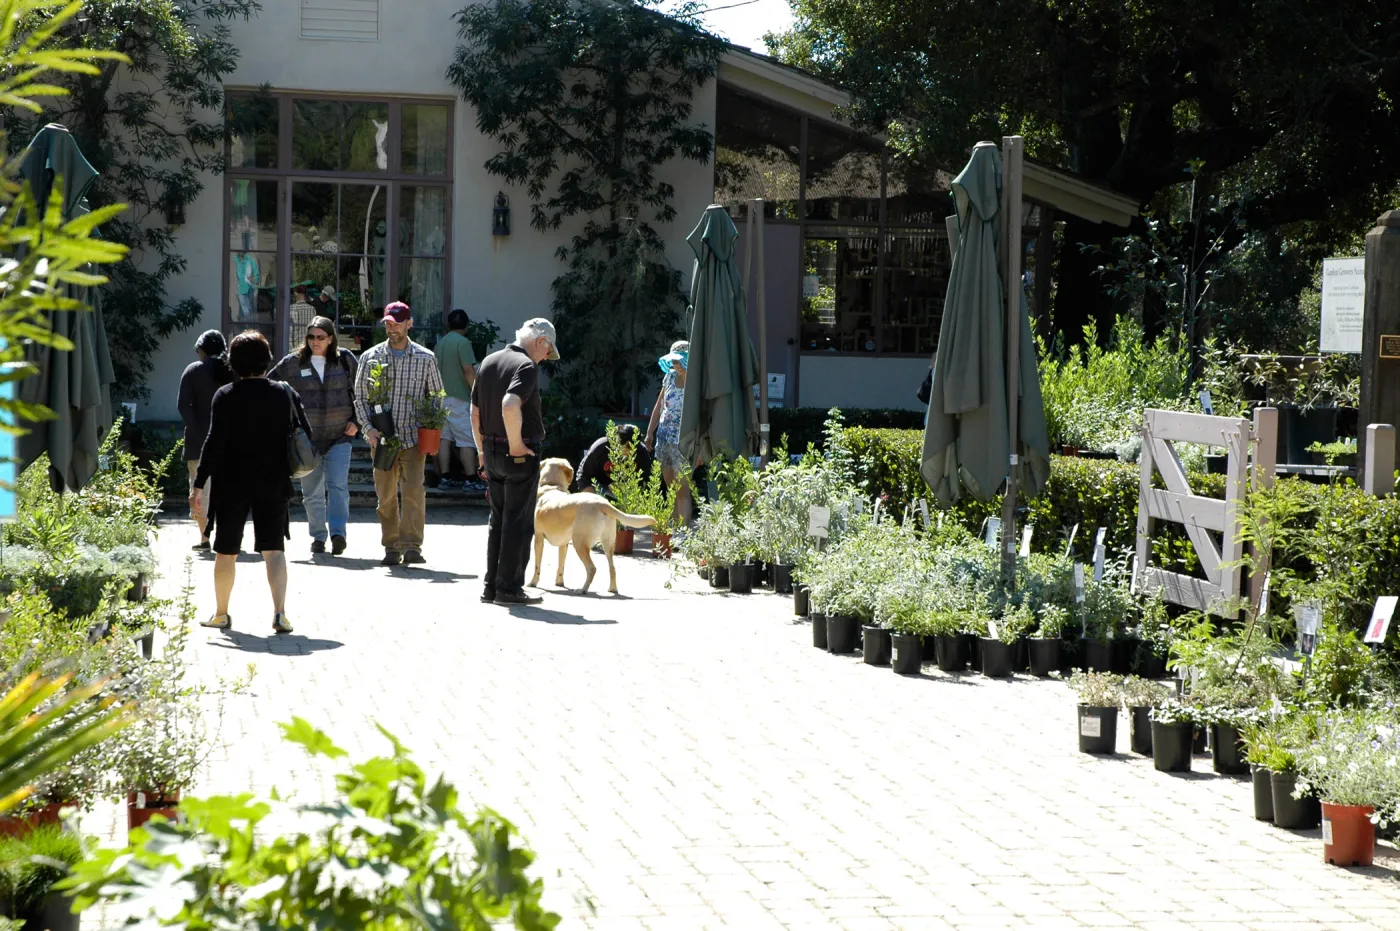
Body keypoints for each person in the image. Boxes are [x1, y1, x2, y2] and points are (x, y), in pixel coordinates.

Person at [192, 330, 305, 634]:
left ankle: (221, 614)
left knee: (226, 550)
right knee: (274, 550)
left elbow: (213, 443)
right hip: (273, 479)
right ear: (267, 360)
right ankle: (280, 614)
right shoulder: (283, 392)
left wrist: (198, 483)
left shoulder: (226, 395)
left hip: (232, 483)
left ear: (233, 363)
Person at [471, 317, 558, 606]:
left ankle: (491, 587)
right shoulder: (526, 366)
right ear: (540, 341)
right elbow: (510, 405)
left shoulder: (489, 361)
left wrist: (481, 451)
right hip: (516, 454)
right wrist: (517, 445)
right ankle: (509, 588)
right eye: (548, 351)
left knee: (498, 520)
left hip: (491, 453)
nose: (546, 358)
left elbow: (474, 412)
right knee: (518, 523)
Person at [353, 301, 445, 567]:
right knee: (386, 496)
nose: (392, 328)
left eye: (397, 323)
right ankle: (391, 546)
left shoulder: (425, 358)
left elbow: (436, 397)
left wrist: (434, 430)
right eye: (388, 324)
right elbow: (359, 398)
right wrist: (368, 430)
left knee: (415, 492)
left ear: (409, 324)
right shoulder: (371, 358)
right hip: (381, 440)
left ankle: (412, 545)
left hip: (414, 439)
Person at [271, 316, 359, 555]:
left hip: (340, 435)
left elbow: (364, 391)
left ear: (330, 338)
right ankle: (318, 537)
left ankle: (338, 533)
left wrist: (357, 421)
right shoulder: (293, 362)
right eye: (311, 337)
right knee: (311, 492)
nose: (315, 341)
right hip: (306, 439)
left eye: (320, 337)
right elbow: (269, 386)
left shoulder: (345, 360)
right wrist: (285, 422)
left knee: (338, 485)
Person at [176, 330, 234, 552]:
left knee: (200, 489)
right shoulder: (232, 370)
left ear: (201, 350)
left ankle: (204, 538)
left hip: (198, 441)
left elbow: (182, 405)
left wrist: (195, 428)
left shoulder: (193, 371)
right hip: (230, 441)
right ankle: (228, 536)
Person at [432, 309, 483, 492]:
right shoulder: (463, 343)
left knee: (444, 438)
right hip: (459, 397)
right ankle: (470, 478)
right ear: (466, 327)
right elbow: (468, 370)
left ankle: (445, 477)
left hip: (440, 397)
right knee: (466, 440)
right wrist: (476, 392)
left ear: (448, 325)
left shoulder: (439, 345)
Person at [643, 340, 694, 525]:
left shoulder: (695, 382)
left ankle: (684, 531)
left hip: (683, 441)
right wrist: (650, 432)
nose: (676, 365)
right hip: (664, 437)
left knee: (682, 489)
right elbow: (659, 406)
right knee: (670, 486)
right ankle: (673, 530)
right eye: (674, 361)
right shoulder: (669, 377)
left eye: (681, 361)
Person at [574, 424, 652, 496]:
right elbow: (583, 475)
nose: (631, 452)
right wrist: (592, 497)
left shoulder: (642, 452)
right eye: (628, 447)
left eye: (634, 448)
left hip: (625, 490)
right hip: (597, 485)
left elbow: (646, 481)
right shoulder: (601, 447)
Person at [288, 283, 316, 353]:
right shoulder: (312, 309)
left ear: (295, 293)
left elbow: (290, 332)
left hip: (295, 349)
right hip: (309, 347)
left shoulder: (291, 309)